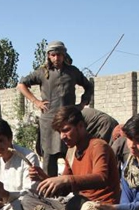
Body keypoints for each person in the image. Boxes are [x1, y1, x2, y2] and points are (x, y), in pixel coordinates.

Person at [28, 106, 119, 210]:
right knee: (28, 199)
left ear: (80, 126)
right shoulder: (71, 152)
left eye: (66, 130)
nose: (62, 136)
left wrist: (66, 179)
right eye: (60, 132)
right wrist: (46, 180)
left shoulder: (98, 146)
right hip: (76, 203)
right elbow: (64, 190)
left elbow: (102, 177)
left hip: (97, 206)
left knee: (75, 204)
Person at [17, 41, 93, 177]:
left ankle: (73, 188)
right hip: (49, 122)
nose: (56, 58)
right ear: (49, 56)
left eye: (59, 55)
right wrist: (36, 101)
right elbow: (22, 85)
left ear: (64, 55)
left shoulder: (73, 72)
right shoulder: (42, 72)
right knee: (48, 157)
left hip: (69, 122)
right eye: (53, 55)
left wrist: (82, 104)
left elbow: (88, 86)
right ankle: (49, 191)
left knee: (73, 155)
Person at [0, 118, 42, 210]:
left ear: (10, 138)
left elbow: (31, 193)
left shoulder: (29, 157)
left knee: (22, 205)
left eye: (0, 141)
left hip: (20, 203)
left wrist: (7, 195)